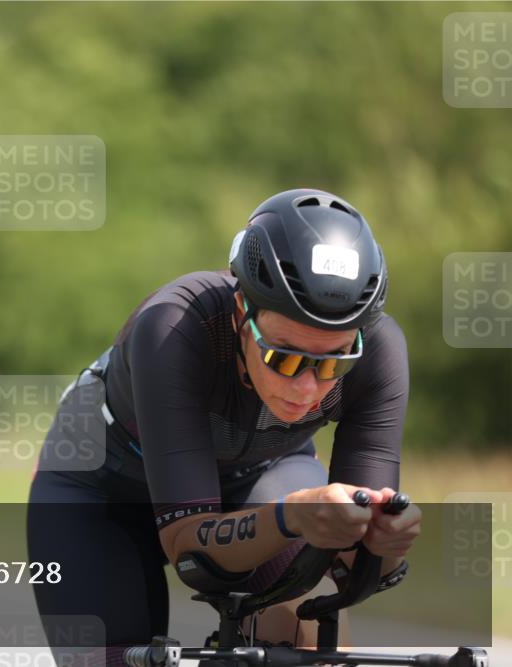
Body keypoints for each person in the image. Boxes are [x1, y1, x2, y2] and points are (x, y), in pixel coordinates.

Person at [26, 188, 423, 665]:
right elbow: (192, 553)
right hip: (101, 491)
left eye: (333, 364)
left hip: (263, 473)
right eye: (283, 357)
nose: (304, 389)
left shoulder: (380, 352)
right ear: (242, 313)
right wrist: (292, 517)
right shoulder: (173, 328)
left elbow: (359, 566)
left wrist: (386, 545)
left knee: (307, 645)